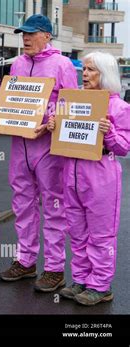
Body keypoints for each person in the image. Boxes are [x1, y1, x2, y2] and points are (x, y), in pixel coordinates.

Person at [0, 14, 78, 292]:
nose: (25, 38)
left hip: (48, 147)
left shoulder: (62, 64)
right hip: (20, 146)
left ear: (47, 36)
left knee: (53, 206)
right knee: (22, 205)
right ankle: (26, 261)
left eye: (31, 34)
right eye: (23, 34)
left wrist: (51, 120)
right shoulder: (17, 63)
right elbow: (11, 101)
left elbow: (72, 105)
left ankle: (54, 269)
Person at [47, 52, 130, 305]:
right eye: (84, 69)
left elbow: (124, 147)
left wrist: (110, 133)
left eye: (91, 70)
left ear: (105, 74)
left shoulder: (119, 107)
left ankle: (101, 286)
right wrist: (54, 124)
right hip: (71, 173)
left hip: (101, 174)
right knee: (78, 232)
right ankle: (82, 279)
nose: (84, 74)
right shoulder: (72, 102)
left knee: (101, 235)